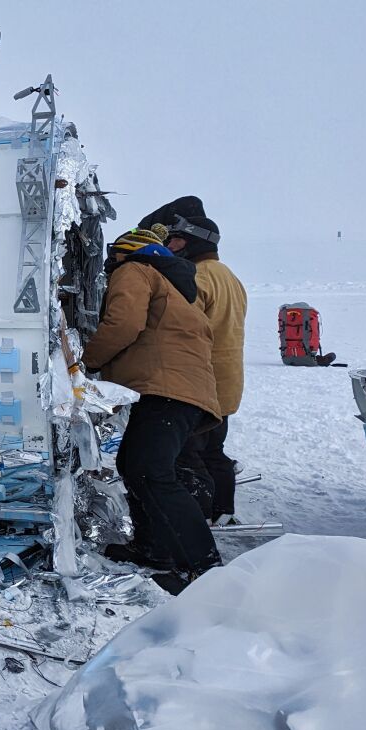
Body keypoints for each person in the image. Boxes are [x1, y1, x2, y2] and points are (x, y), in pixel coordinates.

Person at [83, 226, 222, 594]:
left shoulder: (134, 270)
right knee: (134, 465)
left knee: (153, 472)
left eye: (111, 258)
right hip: (177, 388)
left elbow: (124, 323)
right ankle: (154, 549)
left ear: (122, 252)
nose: (109, 265)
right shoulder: (174, 285)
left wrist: (85, 361)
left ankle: (205, 565)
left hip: (167, 388)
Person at [146, 197, 249, 525]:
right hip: (227, 382)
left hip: (200, 384)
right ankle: (223, 509)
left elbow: (179, 329)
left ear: (192, 242)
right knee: (213, 450)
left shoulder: (196, 276)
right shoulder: (229, 275)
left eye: (176, 240)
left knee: (186, 454)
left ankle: (198, 516)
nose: (171, 246)